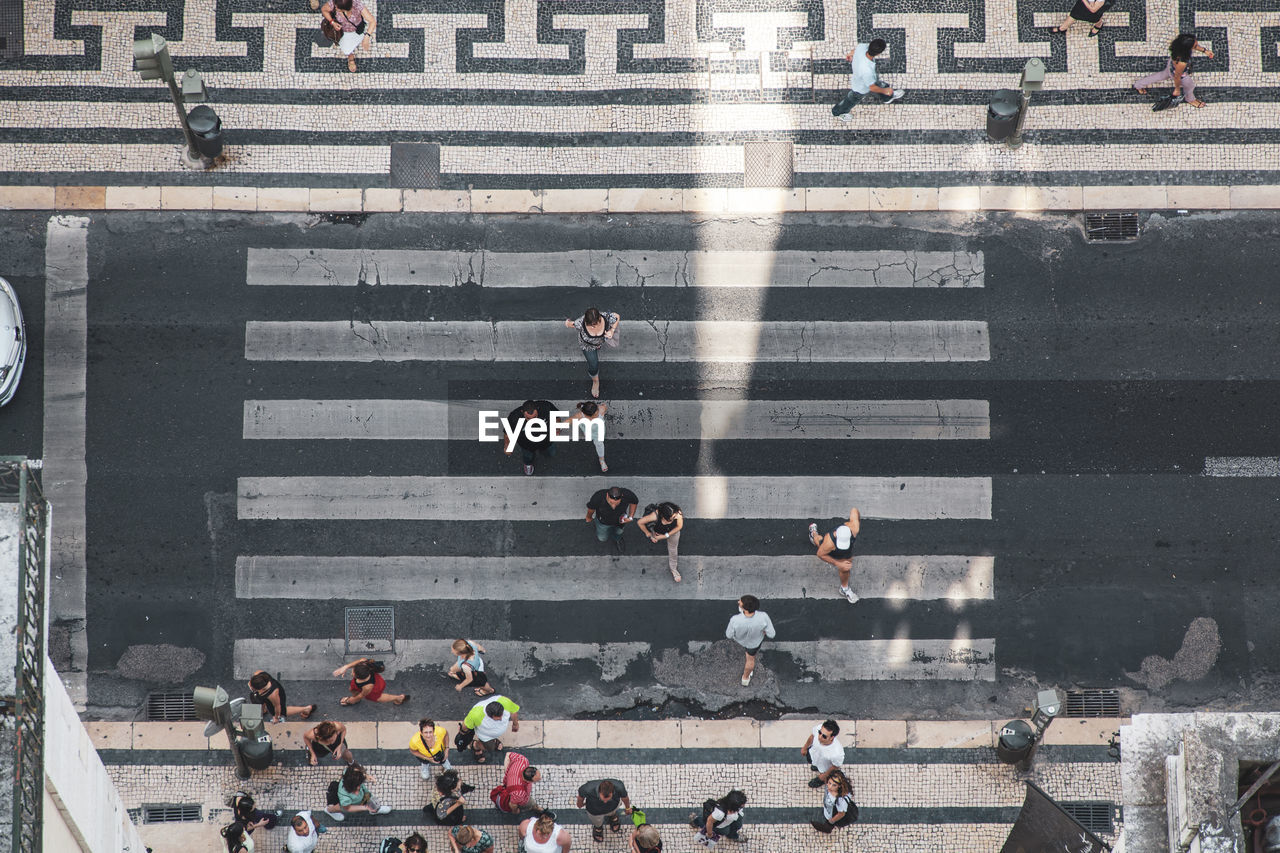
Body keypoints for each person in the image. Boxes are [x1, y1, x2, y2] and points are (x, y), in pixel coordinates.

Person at [832, 38, 904, 122]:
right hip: (860, 88)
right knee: (851, 100)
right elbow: (872, 87)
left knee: (879, 84)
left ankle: (887, 98)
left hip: (863, 78)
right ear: (878, 53)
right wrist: (885, 90)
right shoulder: (867, 70)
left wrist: (850, 54)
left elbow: (854, 50)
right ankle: (838, 112)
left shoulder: (861, 47)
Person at [1134, 33, 1213, 108]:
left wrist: (1204, 51)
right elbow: (1177, 76)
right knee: (1190, 86)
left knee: (1160, 76)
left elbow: (1194, 45)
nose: (1197, 44)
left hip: (1171, 66)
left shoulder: (1179, 47)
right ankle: (1190, 99)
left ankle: (1138, 85)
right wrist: (1177, 89)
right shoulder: (1182, 62)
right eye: (1195, 45)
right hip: (1179, 74)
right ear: (1187, 48)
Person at [564, 307, 621, 399]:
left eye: (596, 324)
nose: (594, 327)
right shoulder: (580, 323)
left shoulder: (606, 317)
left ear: (600, 318)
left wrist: (612, 330)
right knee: (593, 365)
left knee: (597, 349)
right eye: (590, 325)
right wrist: (567, 323)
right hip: (588, 346)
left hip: (600, 342)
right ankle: (595, 382)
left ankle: (598, 346)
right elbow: (571, 324)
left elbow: (617, 317)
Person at [808, 507, 861, 604]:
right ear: (836, 535)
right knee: (819, 542)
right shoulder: (829, 542)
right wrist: (837, 563)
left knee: (846, 568)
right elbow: (820, 554)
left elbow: (854, 510)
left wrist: (857, 517)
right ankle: (813, 534)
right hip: (832, 548)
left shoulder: (854, 528)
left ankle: (844, 588)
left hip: (848, 550)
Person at [724, 595, 775, 687]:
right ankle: (745, 678)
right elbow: (771, 634)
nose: (738, 602)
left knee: (748, 659)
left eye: (740, 602)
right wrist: (764, 631)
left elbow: (729, 635)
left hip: (739, 641)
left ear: (745, 608)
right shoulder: (763, 617)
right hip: (754, 644)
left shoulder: (735, 620)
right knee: (750, 659)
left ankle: (746, 677)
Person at [320, 0, 376, 73]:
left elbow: (372, 21)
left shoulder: (357, 5)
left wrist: (367, 37)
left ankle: (351, 53)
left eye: (338, 8)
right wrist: (332, 22)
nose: (335, 8)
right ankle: (350, 55)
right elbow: (324, 10)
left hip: (357, 30)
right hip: (342, 32)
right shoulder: (335, 3)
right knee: (346, 49)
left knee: (357, 40)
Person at [460, 695, 521, 763]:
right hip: (485, 737)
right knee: (490, 748)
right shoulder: (476, 715)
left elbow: (513, 711)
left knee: (492, 744)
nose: (501, 719)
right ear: (490, 715)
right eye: (497, 718)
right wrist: (462, 736)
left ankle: (494, 740)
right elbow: (465, 726)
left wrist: (515, 724)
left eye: (501, 715)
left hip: (493, 733)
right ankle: (475, 745)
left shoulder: (505, 701)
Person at [505, 399, 558, 475]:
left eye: (535, 417)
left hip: (546, 442)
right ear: (522, 412)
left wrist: (557, 427)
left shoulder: (546, 407)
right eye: (528, 418)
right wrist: (507, 445)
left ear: (537, 409)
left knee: (550, 453)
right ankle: (528, 464)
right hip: (527, 445)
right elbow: (507, 431)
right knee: (527, 457)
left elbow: (557, 416)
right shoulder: (514, 417)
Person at [325, 763, 392, 821]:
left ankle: (374, 809)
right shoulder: (345, 797)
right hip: (347, 803)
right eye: (358, 786)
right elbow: (348, 808)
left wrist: (366, 776)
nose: (360, 787)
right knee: (339, 807)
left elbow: (357, 771)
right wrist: (365, 808)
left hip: (359, 798)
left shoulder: (348, 773)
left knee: (367, 797)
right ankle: (329, 810)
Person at [333, 657, 409, 707]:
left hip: (374, 689)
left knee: (378, 697)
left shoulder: (368, 687)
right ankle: (355, 699)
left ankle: (398, 698)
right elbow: (359, 661)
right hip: (359, 685)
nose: (351, 673)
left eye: (353, 673)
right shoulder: (364, 664)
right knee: (352, 689)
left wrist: (352, 700)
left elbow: (361, 695)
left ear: (359, 677)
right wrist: (346, 667)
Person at [637, 501, 684, 582]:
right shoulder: (654, 516)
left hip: (672, 532)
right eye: (670, 519)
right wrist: (648, 533)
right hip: (657, 532)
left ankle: (673, 569)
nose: (674, 519)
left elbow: (679, 526)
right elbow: (640, 522)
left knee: (673, 550)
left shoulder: (678, 513)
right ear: (662, 516)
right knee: (655, 538)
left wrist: (666, 535)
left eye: (674, 517)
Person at [247, 670, 315, 723]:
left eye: (254, 688)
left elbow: (277, 706)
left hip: (276, 697)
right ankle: (263, 710)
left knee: (282, 711)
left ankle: (306, 709)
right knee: (259, 701)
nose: (251, 687)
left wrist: (276, 717)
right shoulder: (259, 674)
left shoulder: (273, 694)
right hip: (262, 696)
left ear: (262, 688)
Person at [577, 778, 633, 842]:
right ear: (599, 792)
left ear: (612, 792)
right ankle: (598, 827)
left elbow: (625, 798)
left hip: (613, 807)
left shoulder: (619, 787)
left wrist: (628, 808)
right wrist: (580, 803)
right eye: (603, 799)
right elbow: (580, 797)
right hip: (594, 811)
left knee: (612, 812)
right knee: (597, 821)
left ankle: (612, 816)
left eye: (608, 798)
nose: (605, 801)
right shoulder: (587, 789)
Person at [586, 485, 639, 553]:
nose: (613, 506)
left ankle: (617, 539)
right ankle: (597, 525)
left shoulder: (628, 494)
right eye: (611, 502)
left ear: (622, 495)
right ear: (607, 495)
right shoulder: (598, 496)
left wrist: (631, 517)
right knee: (602, 538)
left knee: (619, 533)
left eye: (616, 503)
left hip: (620, 521)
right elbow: (591, 509)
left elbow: (634, 502)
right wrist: (589, 517)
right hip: (603, 522)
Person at [801, 720, 846, 789]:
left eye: (824, 736)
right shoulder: (819, 728)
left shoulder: (837, 753)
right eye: (820, 733)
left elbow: (835, 766)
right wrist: (805, 747)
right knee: (813, 763)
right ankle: (816, 766)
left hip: (825, 767)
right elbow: (812, 736)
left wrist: (822, 777)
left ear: (832, 738)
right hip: (813, 755)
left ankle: (821, 779)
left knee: (824, 773)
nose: (820, 737)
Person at [811, 768, 857, 833]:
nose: (830, 787)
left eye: (834, 785)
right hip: (828, 810)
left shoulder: (841, 800)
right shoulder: (829, 788)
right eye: (829, 783)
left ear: (839, 786)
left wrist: (831, 821)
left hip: (832, 814)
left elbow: (841, 814)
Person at [569, 401, 608, 472]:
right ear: (586, 415)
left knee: (599, 444)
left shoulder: (601, 409)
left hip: (598, 432)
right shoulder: (580, 415)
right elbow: (570, 420)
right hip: (587, 429)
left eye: (597, 412)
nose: (597, 415)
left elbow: (604, 407)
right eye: (594, 415)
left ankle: (601, 460)